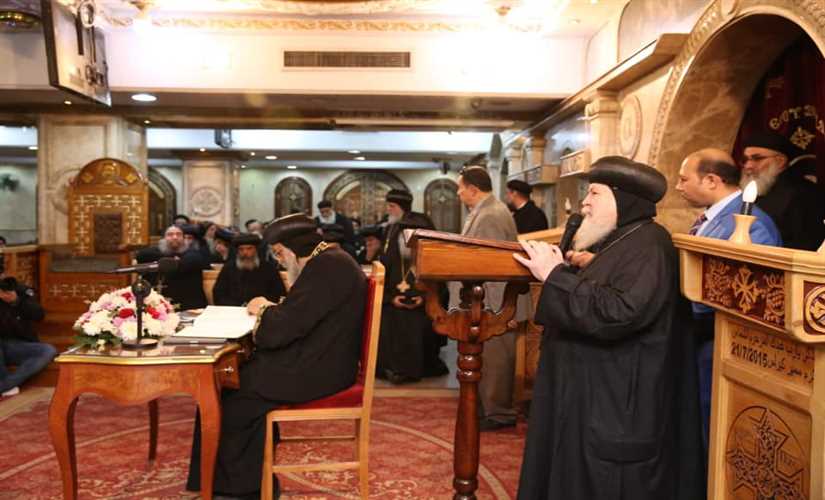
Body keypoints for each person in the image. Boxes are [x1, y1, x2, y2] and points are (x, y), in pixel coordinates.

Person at [513, 156, 703, 500]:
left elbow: (620, 313)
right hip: (594, 392)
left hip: (618, 405)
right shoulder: (625, 239)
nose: (584, 203)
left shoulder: (650, 245)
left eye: (594, 193)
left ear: (623, 199)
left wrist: (555, 276)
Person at [186, 213, 367, 499]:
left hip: (320, 368)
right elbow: (300, 314)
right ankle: (237, 480)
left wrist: (262, 308)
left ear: (291, 249)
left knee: (230, 389)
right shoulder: (331, 261)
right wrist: (272, 310)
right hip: (319, 358)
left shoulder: (327, 266)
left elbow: (282, 329)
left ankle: (241, 491)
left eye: (280, 254)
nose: (280, 262)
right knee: (228, 381)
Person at [676, 148, 782, 454]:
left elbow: (745, 294)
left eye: (684, 179)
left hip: (722, 344)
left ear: (711, 180)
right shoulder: (712, 217)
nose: (678, 187)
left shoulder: (752, 224)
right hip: (700, 341)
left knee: (715, 434)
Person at [451, 166, 520, 431]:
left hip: (494, 302)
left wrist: (497, 312)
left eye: (460, 188)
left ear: (473, 189)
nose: (458, 193)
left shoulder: (491, 214)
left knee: (496, 360)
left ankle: (498, 413)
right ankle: (487, 409)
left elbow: (493, 267)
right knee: (489, 360)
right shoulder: (484, 210)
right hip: (484, 300)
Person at [376, 189, 447, 384]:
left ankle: (412, 369)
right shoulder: (391, 245)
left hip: (423, 308)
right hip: (393, 303)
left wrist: (423, 299)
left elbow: (441, 288)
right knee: (391, 318)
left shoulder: (431, 255)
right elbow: (384, 277)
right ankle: (393, 368)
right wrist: (391, 298)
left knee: (416, 323)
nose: (408, 239)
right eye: (404, 234)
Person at [739, 131, 825, 250]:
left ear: (780, 161)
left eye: (757, 158)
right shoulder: (749, 190)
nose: (748, 166)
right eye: (745, 160)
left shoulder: (804, 194)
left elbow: (806, 244)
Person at [0, 276, 54, 397]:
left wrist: (16, 301)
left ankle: (5, 385)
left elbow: (39, 315)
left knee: (48, 350)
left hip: (19, 345)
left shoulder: (19, 290)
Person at [136, 225, 209, 311]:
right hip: (159, 306)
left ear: (183, 238)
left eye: (178, 234)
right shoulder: (153, 252)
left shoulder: (193, 254)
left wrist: (168, 261)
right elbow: (141, 256)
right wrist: (172, 259)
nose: (175, 237)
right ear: (163, 239)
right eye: (170, 234)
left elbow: (186, 264)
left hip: (188, 306)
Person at [212, 233, 286, 307]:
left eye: (249, 248)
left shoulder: (269, 268)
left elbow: (278, 293)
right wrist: (238, 305)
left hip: (262, 309)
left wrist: (260, 305)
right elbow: (219, 294)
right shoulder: (228, 268)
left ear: (256, 249)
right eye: (241, 249)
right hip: (234, 309)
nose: (245, 252)